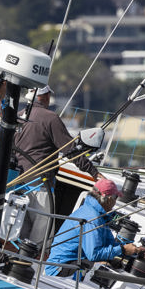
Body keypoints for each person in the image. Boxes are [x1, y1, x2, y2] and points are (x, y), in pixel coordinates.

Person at [15, 85, 100, 247]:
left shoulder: (19, 117)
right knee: (40, 239)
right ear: (45, 96)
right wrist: (94, 173)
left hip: (18, 184)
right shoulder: (50, 118)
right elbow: (70, 150)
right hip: (41, 186)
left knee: (18, 233)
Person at [45, 178, 138, 277]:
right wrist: (122, 250)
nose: (115, 202)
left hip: (67, 264)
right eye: (115, 197)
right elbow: (94, 254)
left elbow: (108, 243)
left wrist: (130, 249)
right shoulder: (93, 218)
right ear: (109, 198)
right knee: (99, 266)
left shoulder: (94, 212)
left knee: (106, 265)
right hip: (61, 268)